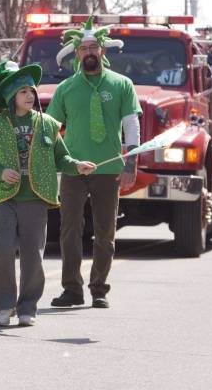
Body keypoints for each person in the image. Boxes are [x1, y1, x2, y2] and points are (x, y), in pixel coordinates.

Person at [0, 61, 95, 327]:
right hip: (4, 196)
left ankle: (28, 306)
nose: (30, 96)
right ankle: (4, 305)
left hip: (36, 196)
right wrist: (0, 172)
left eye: (32, 91)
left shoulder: (48, 124)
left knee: (33, 253)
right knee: (3, 248)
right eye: (23, 92)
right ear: (10, 97)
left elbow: (61, 156)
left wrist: (76, 165)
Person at [47, 17, 142, 309]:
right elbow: (50, 127)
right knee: (69, 230)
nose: (88, 52)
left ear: (102, 51)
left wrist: (130, 164)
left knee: (105, 232)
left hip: (109, 169)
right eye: (83, 48)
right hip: (74, 169)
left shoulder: (122, 84)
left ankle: (99, 289)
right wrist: (51, 162)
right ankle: (72, 290)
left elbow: (131, 125)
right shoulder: (65, 88)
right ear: (77, 53)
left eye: (93, 47)